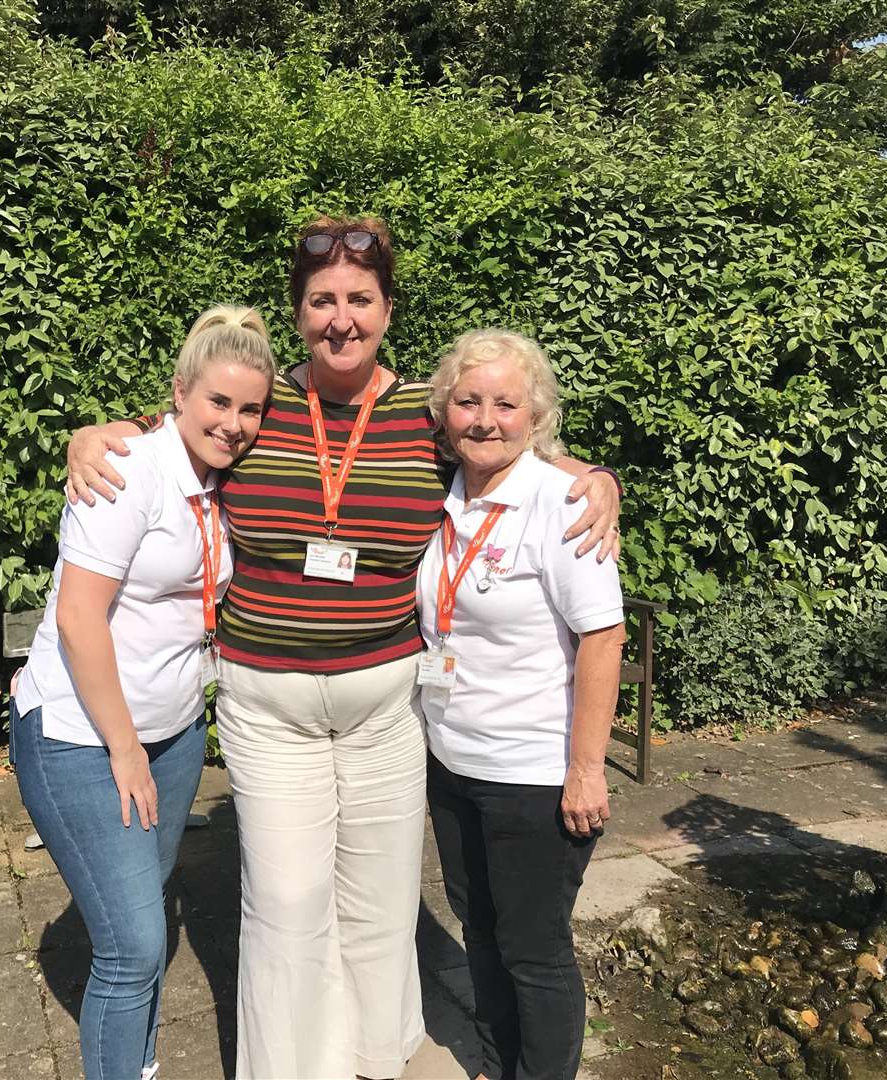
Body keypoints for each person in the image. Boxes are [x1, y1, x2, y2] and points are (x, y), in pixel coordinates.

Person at [64, 217, 622, 1080]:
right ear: (298, 314)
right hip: (268, 704)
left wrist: (598, 478)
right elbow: (190, 415)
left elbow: (510, 449)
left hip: (386, 706)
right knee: (287, 903)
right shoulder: (265, 401)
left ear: (388, 308)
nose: (341, 318)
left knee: (381, 901)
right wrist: (105, 430)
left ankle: (373, 1055)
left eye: (359, 299)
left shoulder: (426, 419)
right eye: (322, 300)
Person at [11, 306, 275, 1080]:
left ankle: (140, 1061)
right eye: (218, 403)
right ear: (180, 395)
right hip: (82, 737)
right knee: (132, 946)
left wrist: (590, 475)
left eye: (250, 409)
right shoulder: (126, 471)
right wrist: (123, 747)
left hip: (176, 732)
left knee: (148, 917)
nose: (233, 423)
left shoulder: (218, 481)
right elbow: (78, 615)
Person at [417, 329, 626, 1080]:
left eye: (506, 403)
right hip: (453, 760)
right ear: (444, 413)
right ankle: (500, 1061)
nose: (485, 418)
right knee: (478, 928)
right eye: (468, 401)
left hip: (534, 773)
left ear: (535, 415)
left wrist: (586, 770)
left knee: (534, 949)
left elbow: (604, 637)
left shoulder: (560, 502)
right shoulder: (444, 493)